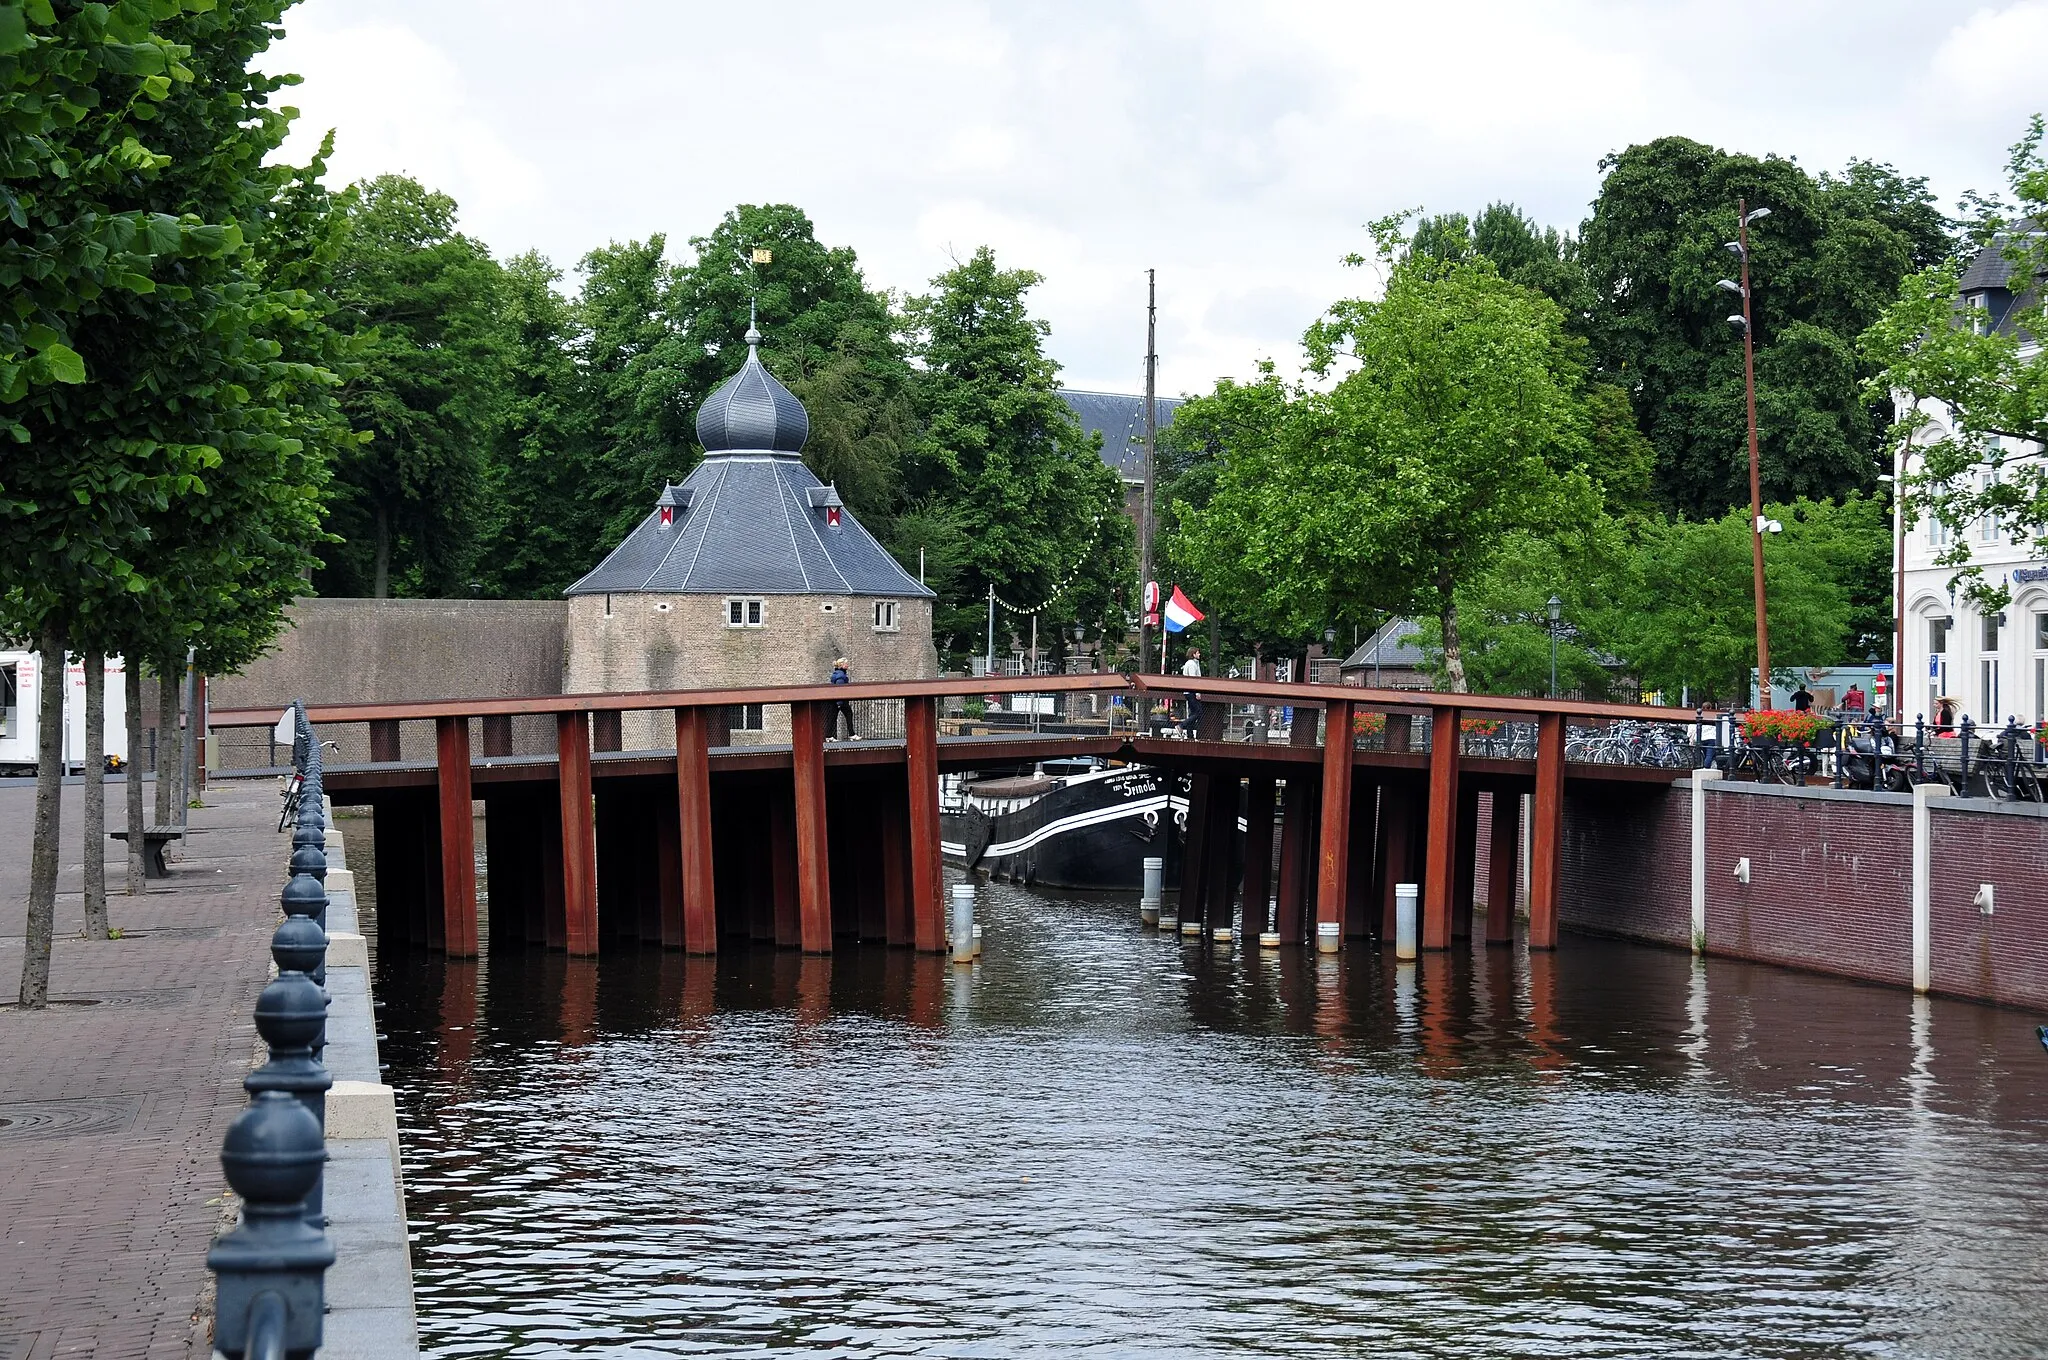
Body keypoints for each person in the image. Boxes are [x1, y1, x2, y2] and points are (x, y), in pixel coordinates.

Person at [829, 656, 856, 740]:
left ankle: (828, 735)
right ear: (842, 665)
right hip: (841, 700)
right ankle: (852, 734)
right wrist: (840, 703)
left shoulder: (838, 674)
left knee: (832, 718)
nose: (847, 665)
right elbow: (840, 689)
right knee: (849, 714)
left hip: (835, 700)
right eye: (846, 663)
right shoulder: (841, 675)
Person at [1180, 647, 1203, 735]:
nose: (1199, 654)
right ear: (1193, 654)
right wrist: (1197, 692)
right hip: (1191, 692)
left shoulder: (1192, 663)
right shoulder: (1192, 664)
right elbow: (1194, 679)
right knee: (1198, 712)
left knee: (1193, 712)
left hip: (1189, 691)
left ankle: (1190, 734)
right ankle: (1181, 725)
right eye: (1198, 653)